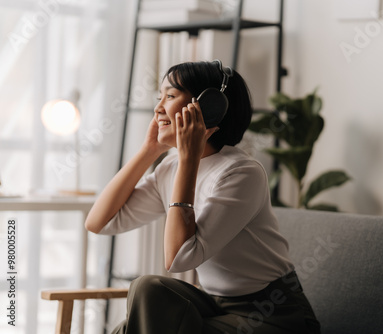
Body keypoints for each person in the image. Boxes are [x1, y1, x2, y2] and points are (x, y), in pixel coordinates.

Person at [85, 60, 321, 334]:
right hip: (214, 305)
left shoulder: (241, 173)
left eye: (170, 96)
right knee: (141, 307)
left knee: (142, 303)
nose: (158, 107)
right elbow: (99, 223)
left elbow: (179, 259)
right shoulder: (170, 168)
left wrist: (188, 159)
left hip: (272, 315)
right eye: (159, 97)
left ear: (207, 108)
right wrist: (148, 151)